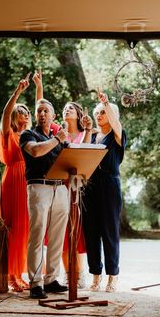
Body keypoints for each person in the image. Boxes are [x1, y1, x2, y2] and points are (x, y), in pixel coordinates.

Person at [19, 99, 70, 299]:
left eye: (45, 111)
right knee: (37, 234)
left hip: (60, 188)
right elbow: (36, 151)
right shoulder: (28, 134)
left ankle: (51, 279)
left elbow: (70, 158)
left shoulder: (59, 139)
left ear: (53, 116)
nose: (41, 114)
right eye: (39, 111)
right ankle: (35, 282)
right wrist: (57, 139)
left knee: (57, 236)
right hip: (39, 187)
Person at [82, 90, 127, 293]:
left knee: (109, 231)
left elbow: (117, 124)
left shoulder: (117, 135)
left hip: (109, 185)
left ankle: (112, 276)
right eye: (97, 112)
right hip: (90, 187)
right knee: (91, 232)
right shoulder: (91, 136)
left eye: (102, 112)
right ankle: (95, 275)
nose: (98, 115)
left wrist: (106, 102)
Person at [0, 75, 32, 292]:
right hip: (12, 181)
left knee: (25, 230)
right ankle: (10, 276)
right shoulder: (8, 134)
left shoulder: (30, 136)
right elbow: (5, 113)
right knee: (13, 228)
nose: (25, 115)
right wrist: (17, 92)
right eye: (21, 112)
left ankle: (19, 274)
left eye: (27, 113)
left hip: (28, 181)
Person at [61, 101, 93, 289]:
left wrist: (88, 131)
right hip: (60, 185)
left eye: (70, 108)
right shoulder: (59, 132)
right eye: (64, 108)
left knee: (77, 230)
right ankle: (67, 274)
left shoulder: (84, 134)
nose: (67, 110)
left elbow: (85, 153)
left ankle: (79, 274)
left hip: (79, 187)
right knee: (64, 232)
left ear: (79, 114)